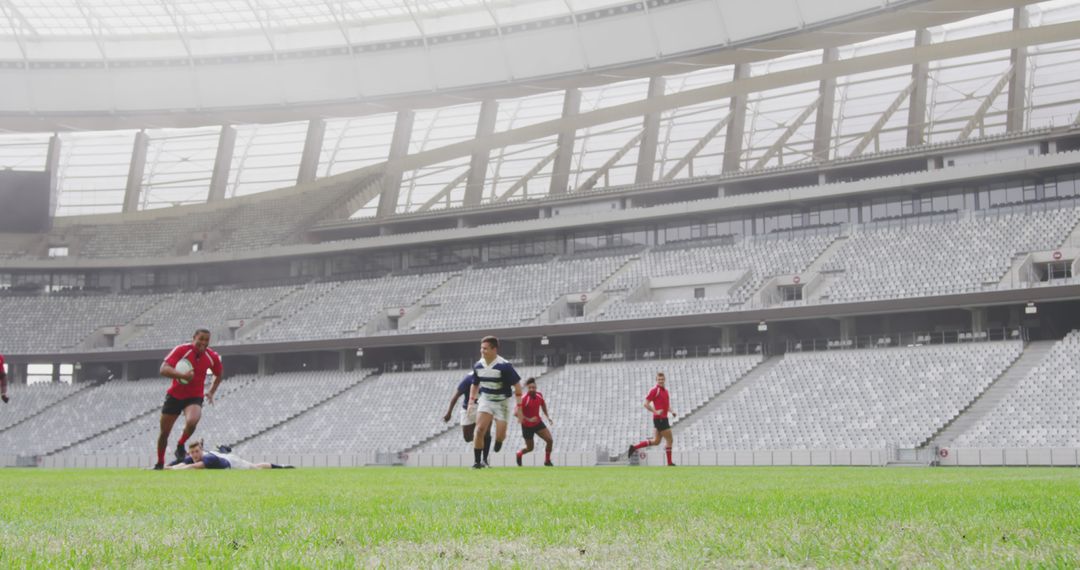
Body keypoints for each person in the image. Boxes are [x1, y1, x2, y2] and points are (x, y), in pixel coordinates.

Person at [154, 329, 224, 471]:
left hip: (194, 396)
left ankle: (181, 444)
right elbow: (163, 369)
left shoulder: (212, 357)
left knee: (192, 421)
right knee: (164, 433)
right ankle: (160, 462)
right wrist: (182, 376)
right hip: (175, 396)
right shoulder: (182, 350)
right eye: (201, 339)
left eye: (206, 340)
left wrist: (211, 391)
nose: (203, 343)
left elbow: (219, 374)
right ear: (194, 338)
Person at [467, 336, 523, 469]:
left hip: (502, 402)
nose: (482, 351)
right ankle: (477, 462)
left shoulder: (504, 366)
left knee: (500, 436)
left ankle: (499, 442)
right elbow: (475, 385)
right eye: (481, 348)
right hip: (486, 400)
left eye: (485, 348)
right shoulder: (478, 365)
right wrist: (471, 402)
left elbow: (517, 386)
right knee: (480, 429)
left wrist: (519, 407)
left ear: (494, 349)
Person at [627, 371, 677, 466]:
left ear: (664, 380)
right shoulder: (655, 390)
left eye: (662, 379)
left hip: (662, 419)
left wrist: (672, 411)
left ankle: (634, 447)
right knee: (670, 440)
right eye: (659, 380)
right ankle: (669, 463)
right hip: (660, 419)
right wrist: (656, 411)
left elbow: (666, 405)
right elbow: (646, 404)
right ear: (656, 380)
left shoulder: (665, 391)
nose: (661, 381)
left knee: (656, 441)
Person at [442, 373, 492, 466]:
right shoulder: (468, 379)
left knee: (486, 432)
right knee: (467, 437)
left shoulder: (490, 377)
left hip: (484, 407)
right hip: (469, 409)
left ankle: (483, 460)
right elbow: (456, 395)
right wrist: (449, 412)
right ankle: (479, 441)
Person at [165, 440, 292, 470]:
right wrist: (168, 467)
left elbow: (192, 466)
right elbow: (183, 462)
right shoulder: (192, 457)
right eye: (192, 452)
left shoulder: (207, 458)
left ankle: (280, 467)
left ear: (201, 450)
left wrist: (174, 469)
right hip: (225, 457)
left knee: (255, 467)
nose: (194, 454)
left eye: (196, 451)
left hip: (233, 462)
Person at [515, 377, 554, 467]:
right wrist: (529, 419)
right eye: (530, 388)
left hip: (537, 423)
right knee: (530, 448)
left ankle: (547, 461)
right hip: (526, 426)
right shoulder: (524, 398)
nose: (532, 389)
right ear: (527, 388)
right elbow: (516, 412)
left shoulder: (539, 395)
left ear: (536, 388)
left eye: (534, 387)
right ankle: (519, 453)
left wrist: (547, 416)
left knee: (550, 440)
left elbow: (543, 404)